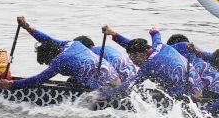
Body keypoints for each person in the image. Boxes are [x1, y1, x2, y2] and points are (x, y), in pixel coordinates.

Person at [11, 18, 139, 102]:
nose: (49, 64)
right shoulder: (72, 44)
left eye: (47, 62)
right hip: (127, 80)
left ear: (50, 57)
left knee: (77, 92)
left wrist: (12, 85)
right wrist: (27, 28)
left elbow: (38, 79)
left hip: (110, 89)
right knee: (75, 79)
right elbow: (48, 40)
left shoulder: (59, 61)